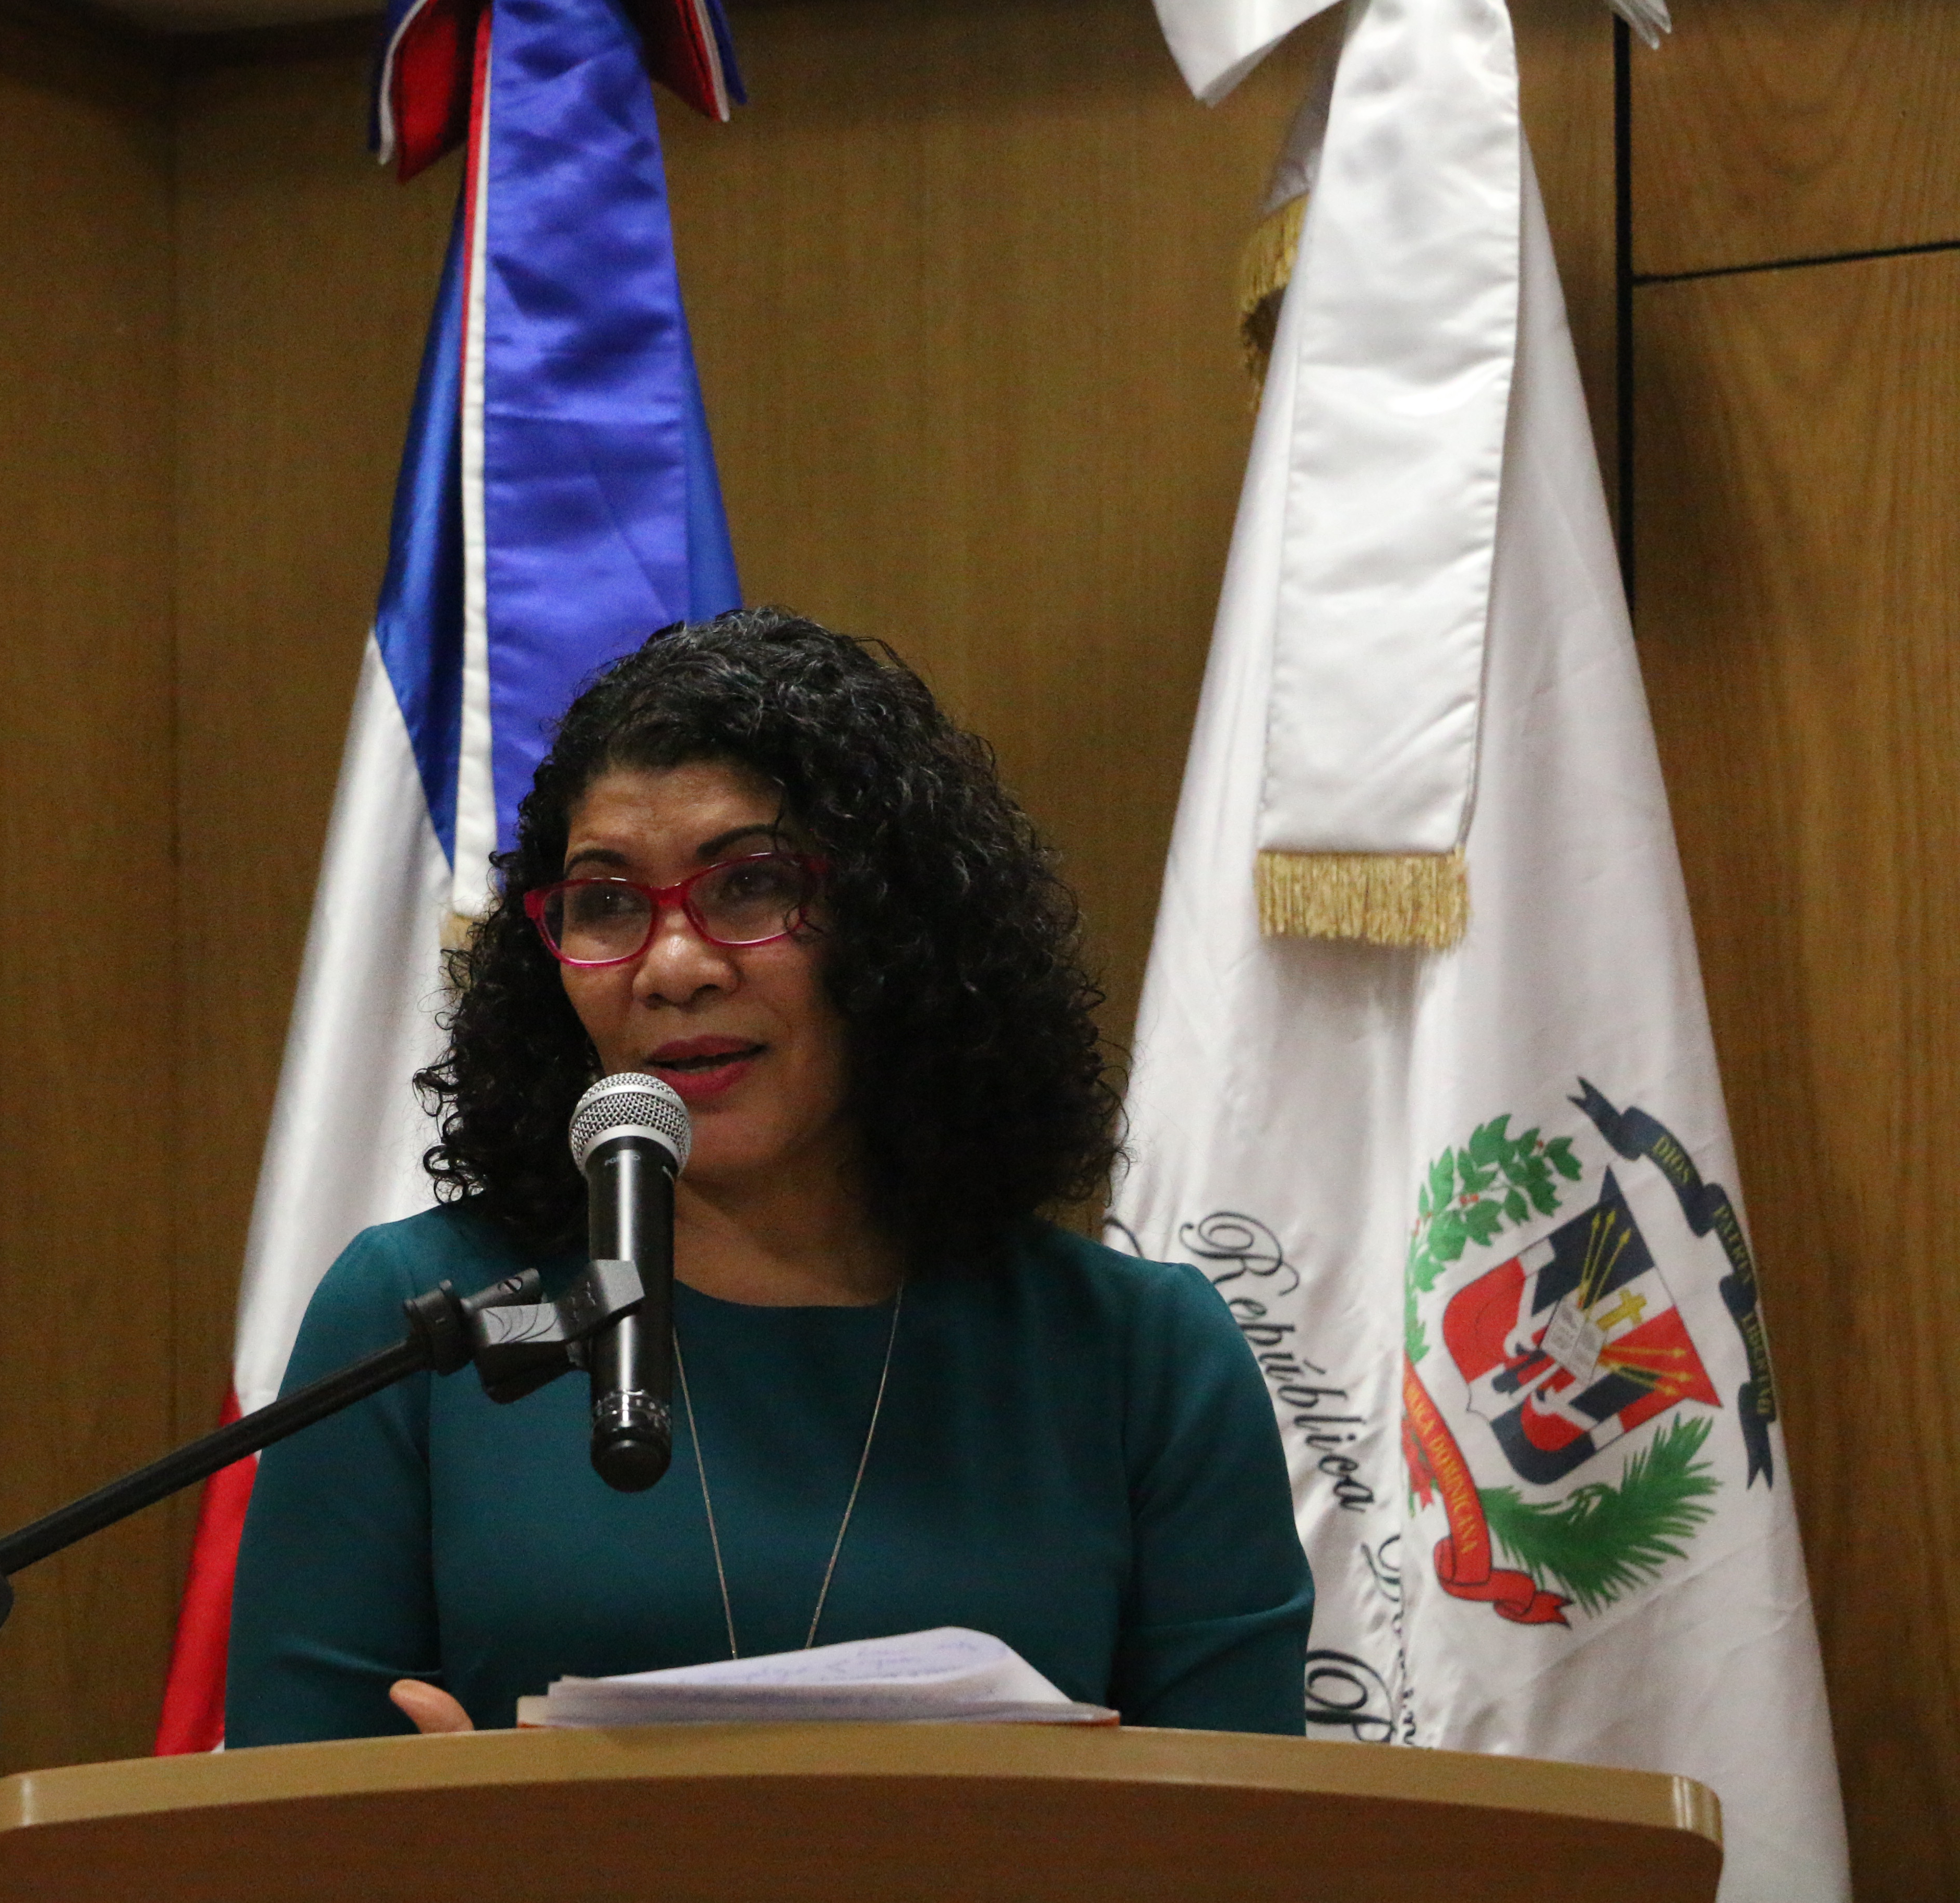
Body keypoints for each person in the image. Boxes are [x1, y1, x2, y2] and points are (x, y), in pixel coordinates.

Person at [224, 609, 1310, 1743]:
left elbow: (1250, 1847)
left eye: (748, 886)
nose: (674, 966)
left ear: (895, 925)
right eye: (605, 902)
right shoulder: (423, 1329)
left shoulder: (1139, 1356)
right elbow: (267, 1836)